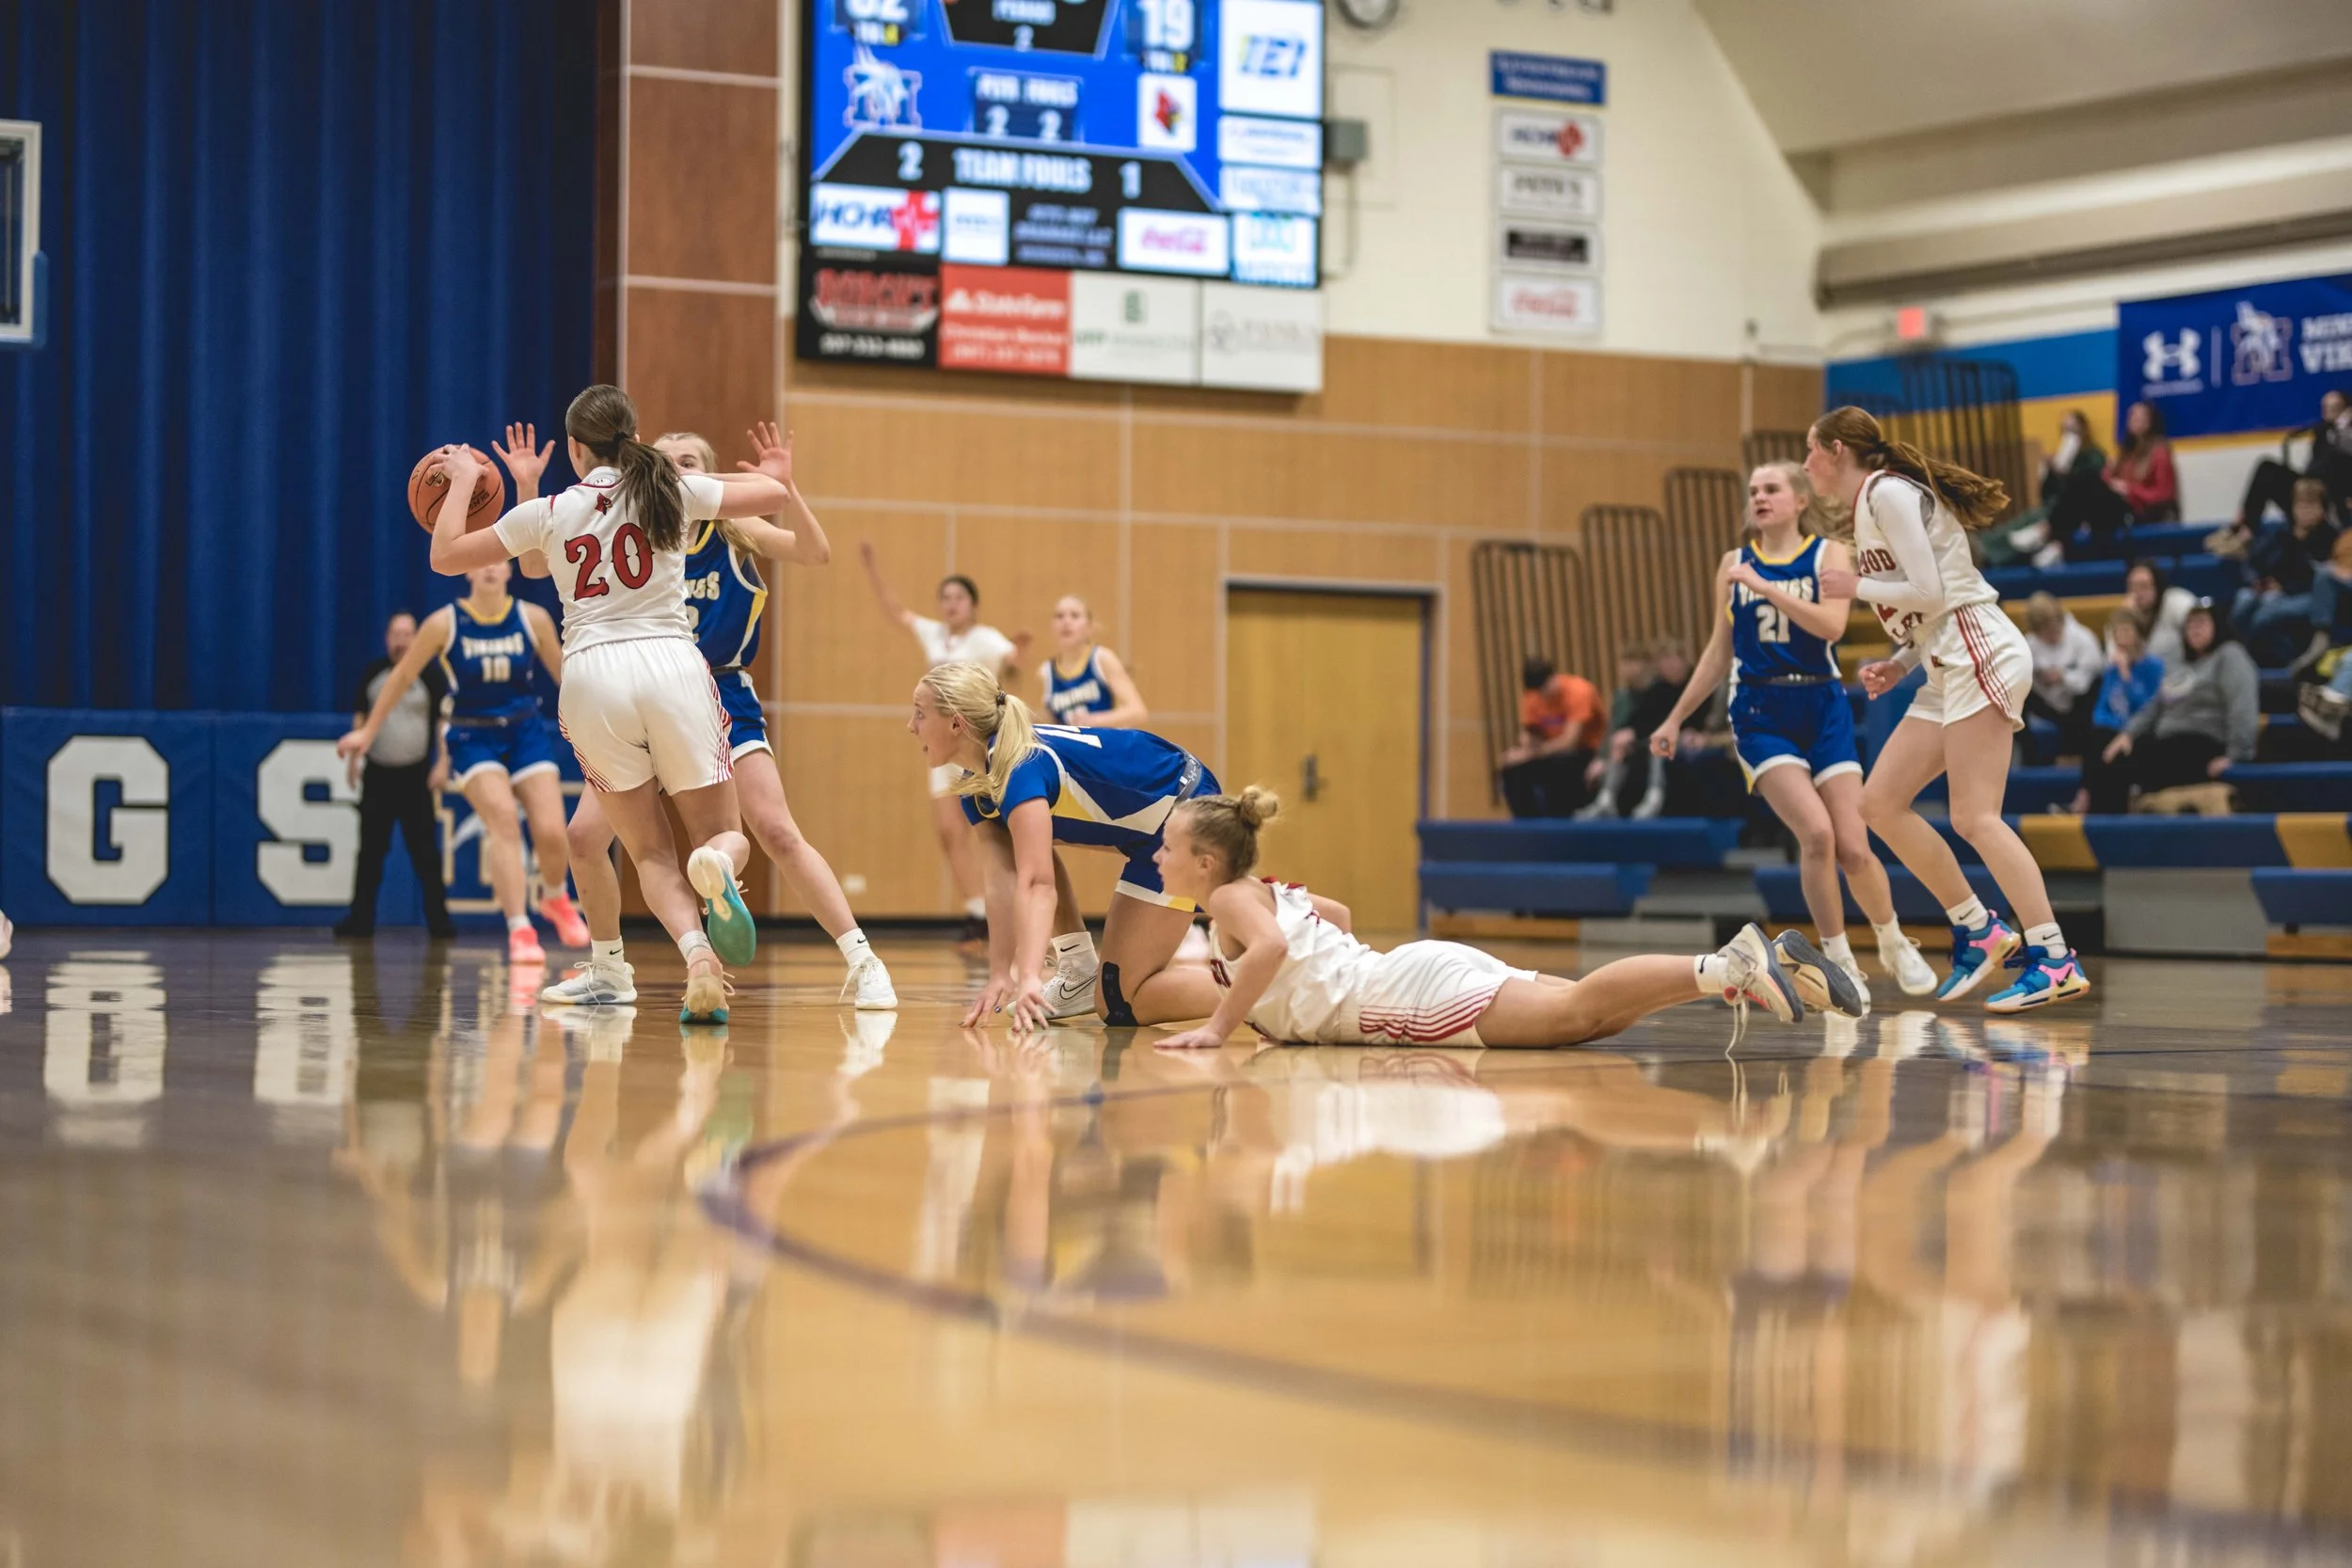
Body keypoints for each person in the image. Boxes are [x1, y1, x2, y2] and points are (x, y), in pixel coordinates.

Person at [424, 385, 791, 1023]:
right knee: (723, 834)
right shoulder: (669, 489)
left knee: (647, 852)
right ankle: (716, 865)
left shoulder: (551, 508)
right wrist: (770, 474)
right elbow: (772, 497)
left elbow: (446, 554)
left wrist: (462, 481)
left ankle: (699, 957)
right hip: (672, 665)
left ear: (573, 446)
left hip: (592, 676)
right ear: (632, 435)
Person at [542, 424, 897, 1012]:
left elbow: (815, 552)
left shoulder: (735, 530)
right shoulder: (635, 530)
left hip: (720, 694)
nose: (676, 468)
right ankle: (609, 970)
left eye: (689, 460)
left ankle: (864, 960)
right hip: (643, 695)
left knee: (776, 830)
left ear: (709, 474)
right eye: (667, 460)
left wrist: (786, 485)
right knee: (583, 837)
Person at [1148, 787, 1856, 1050]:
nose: (1157, 855)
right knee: (1591, 1019)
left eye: (1168, 846)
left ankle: (1728, 964)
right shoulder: (1265, 889)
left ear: (1207, 863)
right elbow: (1333, 915)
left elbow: (1270, 947)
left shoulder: (1228, 900)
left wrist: (1218, 1027)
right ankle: (1748, 972)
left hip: (1399, 996)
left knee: (1578, 1012)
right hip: (1402, 974)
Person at [1807, 404, 2090, 1014]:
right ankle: (1979, 927)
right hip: (1943, 659)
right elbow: (1927, 609)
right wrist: (1901, 662)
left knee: (1976, 817)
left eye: (1811, 451)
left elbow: (1935, 592)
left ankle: (2053, 956)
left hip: (1979, 647)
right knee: (1877, 802)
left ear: (1836, 451)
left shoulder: (1888, 493)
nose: (1806, 464)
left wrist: (1855, 587)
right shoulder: (1869, 506)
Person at [1650, 462, 1936, 1006]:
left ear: (1800, 499)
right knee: (1818, 836)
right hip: (1760, 710)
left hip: (1821, 704)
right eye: (1753, 490)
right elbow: (1719, 650)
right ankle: (1839, 960)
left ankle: (1893, 940)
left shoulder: (1827, 554)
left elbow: (1831, 627)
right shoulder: (1733, 564)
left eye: (1772, 488)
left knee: (1854, 844)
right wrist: (1675, 717)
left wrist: (1765, 588)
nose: (1760, 497)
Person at [908, 660, 1218, 1030]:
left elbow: (1038, 884)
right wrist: (999, 973)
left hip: (1184, 809)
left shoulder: (1020, 768)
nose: (911, 726)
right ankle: (1078, 970)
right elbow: (1003, 876)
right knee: (1114, 996)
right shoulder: (978, 784)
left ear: (956, 723)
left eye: (920, 714)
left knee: (1121, 1002)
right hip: (1151, 828)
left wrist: (1029, 978)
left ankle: (1270, 986)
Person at [338, 559, 586, 965]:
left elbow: (565, 677)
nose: (490, 569)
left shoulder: (532, 618)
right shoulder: (444, 623)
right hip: (473, 735)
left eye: (498, 562)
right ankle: (520, 928)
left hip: (524, 730)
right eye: (480, 563)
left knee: (552, 830)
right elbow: (401, 678)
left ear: (509, 571)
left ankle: (555, 898)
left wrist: (596, 721)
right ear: (468, 573)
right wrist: (367, 732)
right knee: (504, 819)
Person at [862, 546, 1030, 943]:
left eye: (959, 597)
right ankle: (978, 912)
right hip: (941, 747)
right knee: (949, 832)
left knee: (992, 830)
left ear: (973, 605)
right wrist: (872, 569)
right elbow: (897, 611)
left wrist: (1020, 652)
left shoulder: (987, 639)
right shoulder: (934, 634)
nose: (951, 604)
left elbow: (1013, 666)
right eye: (946, 598)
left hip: (975, 745)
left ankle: (1009, 909)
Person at [337, 610, 456, 940]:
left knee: (426, 854)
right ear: (387, 638)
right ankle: (360, 921)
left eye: (408, 634)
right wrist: (353, 762)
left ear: (417, 638)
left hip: (415, 777)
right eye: (396, 634)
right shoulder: (374, 673)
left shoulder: (431, 676)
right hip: (378, 776)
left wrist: (442, 763)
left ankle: (439, 922)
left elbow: (442, 724)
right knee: (370, 853)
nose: (402, 641)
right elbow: (361, 717)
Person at [2093, 603, 2259, 812]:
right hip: (2167, 742)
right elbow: (2154, 706)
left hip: (2203, 740)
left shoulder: (2230, 655)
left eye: (2201, 623)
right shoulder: (2178, 662)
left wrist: (2237, 755)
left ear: (2217, 625)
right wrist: (2128, 734)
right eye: (2189, 625)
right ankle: (2103, 832)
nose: (2195, 629)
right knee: (2108, 753)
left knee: (2134, 765)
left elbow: (2242, 707)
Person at [1581, 641, 1696, 819]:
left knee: (1661, 743)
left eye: (1673, 660)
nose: (1669, 666)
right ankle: (1606, 799)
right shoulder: (1659, 688)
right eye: (1664, 662)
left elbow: (1692, 718)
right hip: (1658, 736)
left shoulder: (1695, 685)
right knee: (1622, 742)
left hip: (1686, 736)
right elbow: (1642, 719)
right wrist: (1628, 736)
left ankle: (1655, 797)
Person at [2232, 477, 2340, 665]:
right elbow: (2254, 560)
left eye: (2311, 505)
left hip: (2307, 594)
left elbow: (2318, 577)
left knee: (2266, 613)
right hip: (2271, 589)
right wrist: (2258, 581)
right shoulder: (2282, 532)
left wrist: (2284, 586)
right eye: (2300, 504)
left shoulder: (2329, 538)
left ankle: (2277, 657)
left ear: (2323, 510)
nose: (2304, 511)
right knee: (2243, 601)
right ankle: (2240, 657)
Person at [1981, 408, 2107, 567]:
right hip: (2052, 506)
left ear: (2083, 429)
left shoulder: (2093, 455)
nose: (2068, 434)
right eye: (2064, 430)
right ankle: (1987, 548)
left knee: (2035, 520)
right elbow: (2046, 494)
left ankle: (1993, 552)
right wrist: (2048, 472)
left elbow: (2090, 485)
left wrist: (2066, 473)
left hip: (2077, 509)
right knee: (2023, 520)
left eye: (2072, 429)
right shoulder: (2058, 457)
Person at [2072, 609, 2164, 815]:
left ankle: (2097, 801)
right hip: (2113, 729)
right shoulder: (2111, 669)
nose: (2120, 639)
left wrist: (2126, 676)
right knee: (2096, 735)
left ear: (2138, 633)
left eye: (2125, 631)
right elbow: (2102, 707)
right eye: (2116, 633)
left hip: (2141, 730)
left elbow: (2148, 707)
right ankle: (2089, 800)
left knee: (2113, 748)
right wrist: (2109, 727)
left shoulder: (2153, 666)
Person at [2230, 388, 2351, 537]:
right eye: (2325, 408)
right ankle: (2247, 526)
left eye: (2335, 408)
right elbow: (2316, 465)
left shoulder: (2346, 434)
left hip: (2336, 493)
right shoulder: (2322, 432)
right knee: (2267, 468)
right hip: (2310, 485)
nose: (2329, 412)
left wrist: (2342, 426)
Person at [1498, 655, 1602, 817]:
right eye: (1538, 692)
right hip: (1549, 751)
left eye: (1545, 689)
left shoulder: (1579, 691)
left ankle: (1560, 822)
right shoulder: (1533, 694)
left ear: (1554, 677)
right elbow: (1530, 730)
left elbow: (1570, 741)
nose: (1542, 696)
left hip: (1585, 750)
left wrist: (1530, 754)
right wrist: (1523, 747)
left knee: (1559, 766)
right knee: (1512, 769)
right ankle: (1528, 825)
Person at [1041, 595, 1149, 726]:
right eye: (1059, 616)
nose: (1066, 621)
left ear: (1089, 626)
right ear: (1052, 626)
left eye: (1075, 616)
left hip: (1103, 743)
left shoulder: (1102, 659)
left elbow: (1138, 712)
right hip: (1070, 746)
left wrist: (1094, 721)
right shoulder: (1045, 672)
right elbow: (1047, 722)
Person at [2021, 592, 2103, 761]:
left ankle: (2081, 756)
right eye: (2045, 631)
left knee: (2092, 691)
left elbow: (2089, 679)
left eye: (2055, 627)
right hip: (2047, 702)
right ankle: (2030, 759)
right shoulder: (2028, 645)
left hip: (2080, 703)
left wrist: (2063, 677)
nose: (2052, 633)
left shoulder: (2083, 639)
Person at [2118, 559, 2196, 666]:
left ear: (2157, 585)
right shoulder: (2124, 614)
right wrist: (2129, 621)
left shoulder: (2178, 602)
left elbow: (2202, 635)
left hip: (2186, 675)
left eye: (2143, 586)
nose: (2138, 593)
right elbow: (2115, 659)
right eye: (2133, 587)